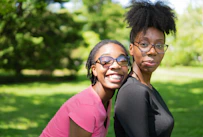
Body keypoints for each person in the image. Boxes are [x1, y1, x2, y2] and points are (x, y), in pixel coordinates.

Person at [39, 39, 130, 137]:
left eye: (122, 60)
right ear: (94, 70)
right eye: (106, 61)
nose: (116, 66)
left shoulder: (105, 99)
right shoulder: (87, 107)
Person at [114, 1, 177, 137]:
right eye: (144, 44)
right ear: (131, 49)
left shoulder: (147, 87)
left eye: (159, 45)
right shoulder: (133, 91)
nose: (152, 51)